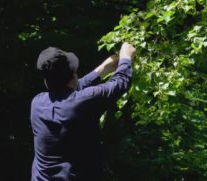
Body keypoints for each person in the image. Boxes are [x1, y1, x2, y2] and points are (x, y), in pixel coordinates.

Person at [30, 42, 135, 181]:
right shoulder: (82, 103)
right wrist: (126, 57)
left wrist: (103, 68)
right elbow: (121, 82)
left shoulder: (37, 103)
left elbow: (70, 90)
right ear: (73, 76)